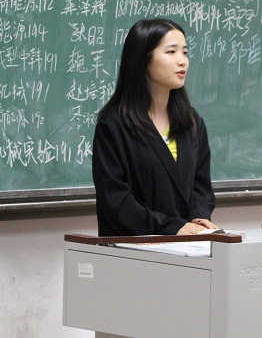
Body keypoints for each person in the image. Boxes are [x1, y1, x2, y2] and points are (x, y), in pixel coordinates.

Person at [92, 18, 218, 236]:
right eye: (171, 52)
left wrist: (199, 219)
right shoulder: (113, 125)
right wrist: (171, 227)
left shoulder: (192, 122)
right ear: (143, 59)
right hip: (134, 247)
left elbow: (201, 185)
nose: (182, 61)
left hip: (188, 247)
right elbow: (115, 199)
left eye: (185, 52)